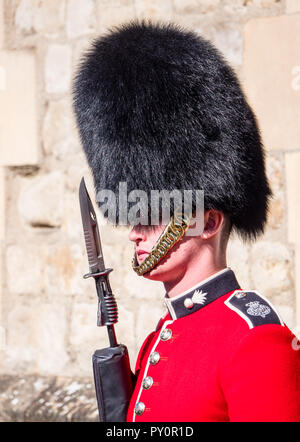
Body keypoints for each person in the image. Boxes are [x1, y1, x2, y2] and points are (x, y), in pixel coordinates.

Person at [72, 19, 300, 422]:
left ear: (209, 222)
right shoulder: (158, 338)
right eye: (133, 215)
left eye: (152, 214)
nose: (134, 232)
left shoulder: (255, 340)